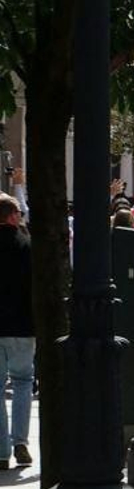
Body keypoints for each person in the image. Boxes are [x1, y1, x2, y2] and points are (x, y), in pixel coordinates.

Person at [0, 189, 33, 470]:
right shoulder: (26, 244)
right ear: (12, 216)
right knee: (23, 382)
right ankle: (19, 441)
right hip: (23, 325)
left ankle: (1, 452)